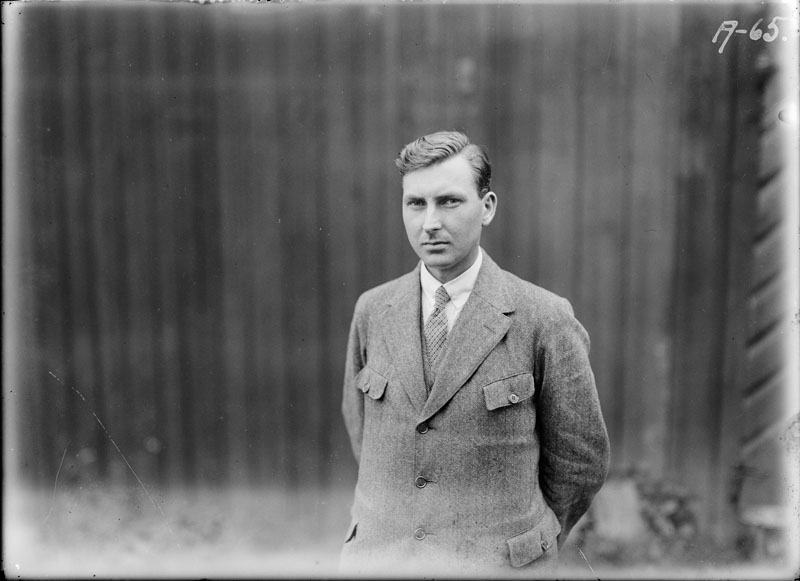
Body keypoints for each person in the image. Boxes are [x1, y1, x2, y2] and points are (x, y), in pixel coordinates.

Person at [340, 130, 610, 576]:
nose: (430, 222)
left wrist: (527, 544)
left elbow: (580, 462)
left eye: (449, 201)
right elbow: (363, 433)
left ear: (487, 207)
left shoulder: (543, 317)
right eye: (416, 203)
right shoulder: (373, 310)